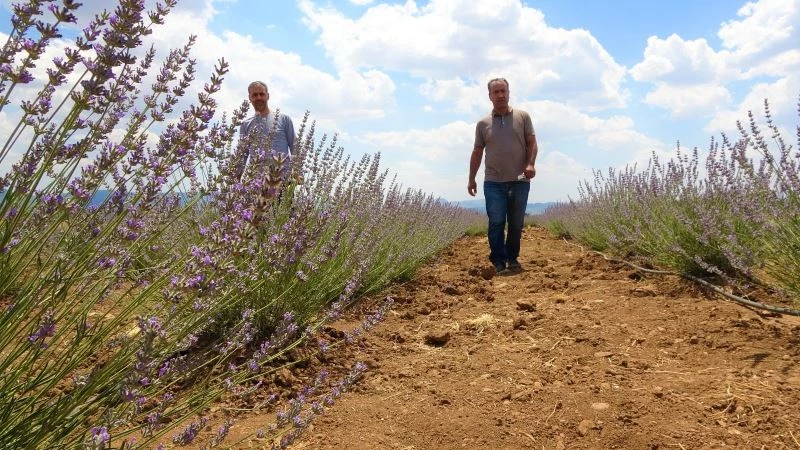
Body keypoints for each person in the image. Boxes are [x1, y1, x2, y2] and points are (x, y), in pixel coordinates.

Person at [468, 77, 538, 275]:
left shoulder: (523, 117)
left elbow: (532, 143)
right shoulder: (483, 124)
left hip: (519, 180)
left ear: (509, 93)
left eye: (503, 91)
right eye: (495, 92)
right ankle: (498, 260)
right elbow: (477, 151)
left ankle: (512, 257)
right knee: (497, 220)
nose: (500, 95)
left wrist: (531, 164)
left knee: (516, 222)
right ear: (489, 96)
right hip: (493, 181)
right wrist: (471, 178)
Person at [233, 80, 295, 181]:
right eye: (255, 95)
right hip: (256, 182)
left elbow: (294, 146)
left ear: (268, 96)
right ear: (250, 98)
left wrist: (298, 173)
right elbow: (242, 155)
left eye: (262, 94)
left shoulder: (284, 119)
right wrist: (236, 179)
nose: (259, 97)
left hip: (282, 179)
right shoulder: (245, 125)